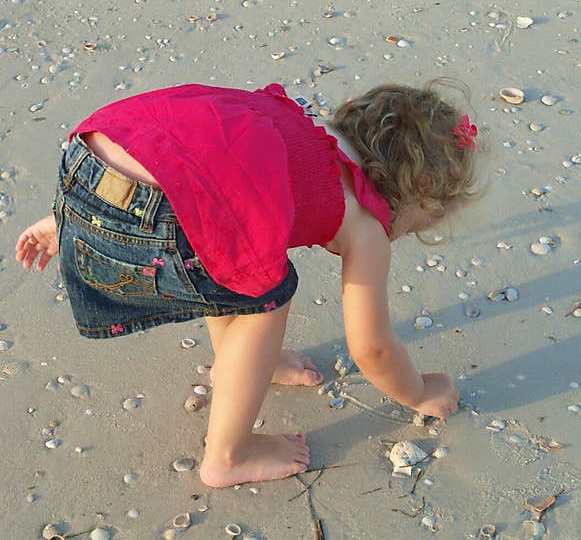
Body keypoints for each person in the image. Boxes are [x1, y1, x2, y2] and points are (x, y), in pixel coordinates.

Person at [15, 78, 485, 488]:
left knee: (241, 258)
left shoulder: (302, 131)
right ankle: (228, 456)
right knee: (266, 297)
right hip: (158, 206)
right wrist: (420, 391)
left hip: (96, 154)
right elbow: (373, 347)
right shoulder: (365, 223)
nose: (407, 233)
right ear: (415, 191)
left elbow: (194, 154)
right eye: (422, 221)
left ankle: (237, 362)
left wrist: (72, 213)